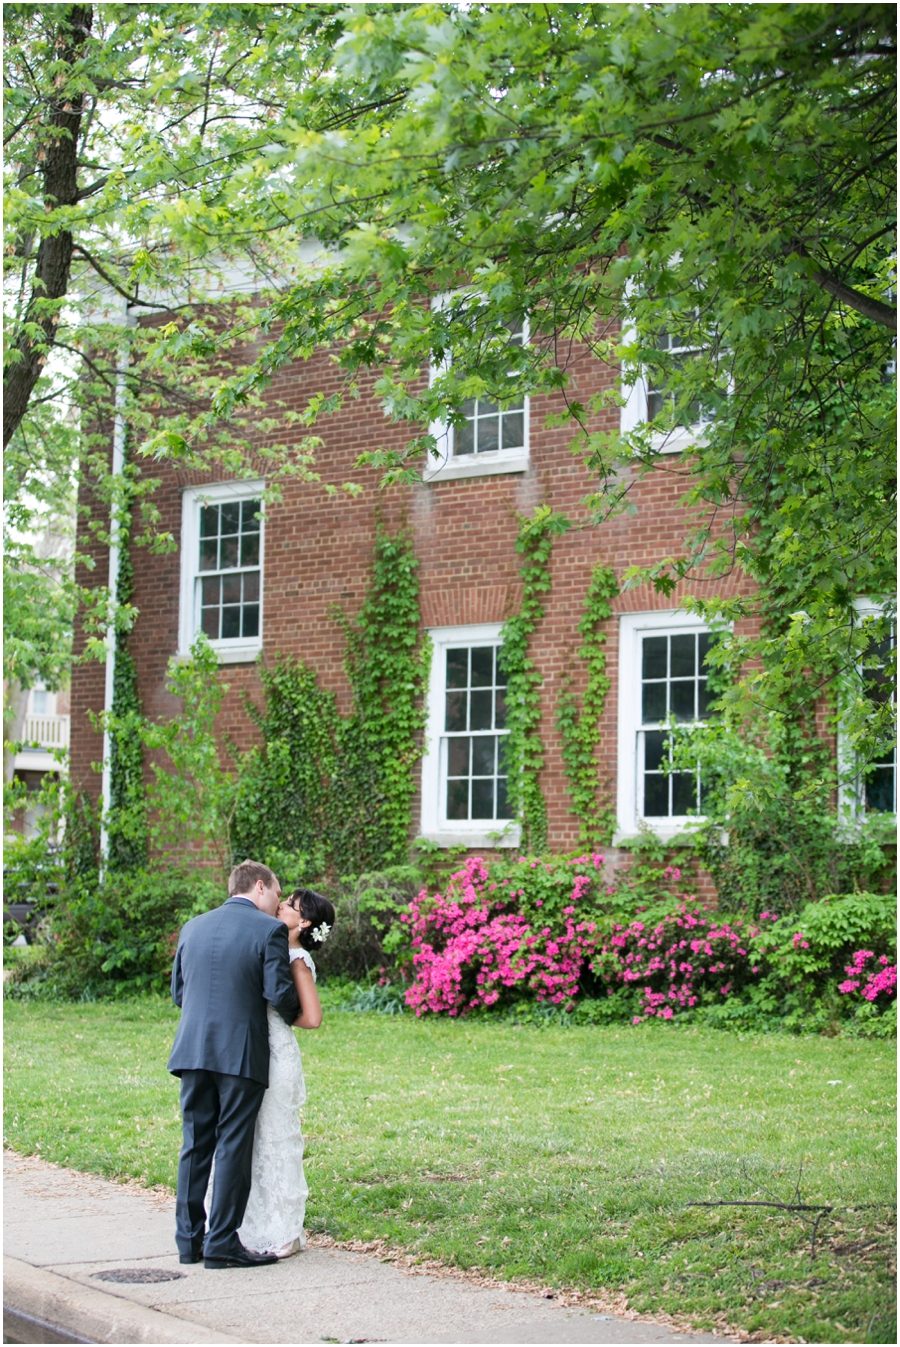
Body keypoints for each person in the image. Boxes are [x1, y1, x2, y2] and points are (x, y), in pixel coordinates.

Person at [168, 859, 299, 1269]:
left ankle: (189, 1242)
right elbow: (279, 993)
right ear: (260, 886)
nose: (278, 902)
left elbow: (178, 993)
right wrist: (299, 1012)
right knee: (232, 1146)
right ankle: (222, 1242)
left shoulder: (193, 927)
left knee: (195, 1143)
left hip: (193, 1050)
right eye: (277, 893)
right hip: (240, 1052)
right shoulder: (269, 930)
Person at [229, 886, 334, 1258]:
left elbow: (313, 1018)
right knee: (255, 1141)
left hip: (277, 1054)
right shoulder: (271, 944)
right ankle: (253, 1223)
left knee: (276, 1139)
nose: (282, 905)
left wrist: (279, 1014)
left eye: (290, 905)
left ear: (303, 921)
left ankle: (284, 1230)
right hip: (255, 1050)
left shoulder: (297, 957)